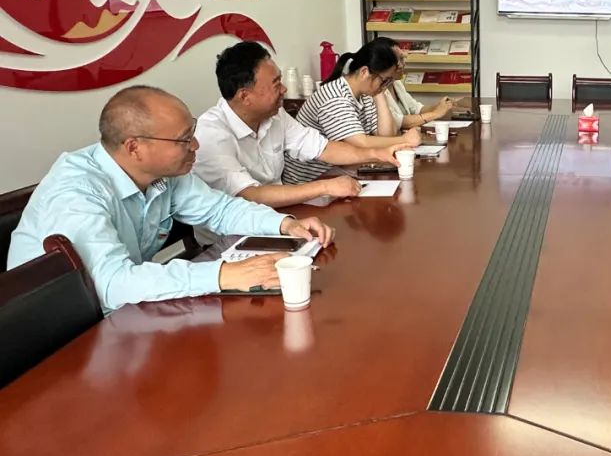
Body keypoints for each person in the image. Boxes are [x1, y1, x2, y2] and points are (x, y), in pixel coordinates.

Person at [7, 86, 334, 313]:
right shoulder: (77, 193)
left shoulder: (163, 173)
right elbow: (112, 283)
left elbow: (220, 210)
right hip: (56, 338)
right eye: (183, 140)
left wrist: (284, 224)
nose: (196, 146)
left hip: (125, 314)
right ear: (134, 147)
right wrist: (224, 275)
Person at [194, 42, 405, 209]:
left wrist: (378, 154)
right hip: (233, 235)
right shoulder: (211, 134)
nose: (284, 89)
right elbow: (251, 195)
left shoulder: (275, 115)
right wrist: (325, 186)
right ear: (244, 96)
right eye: (276, 84)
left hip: (279, 215)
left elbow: (324, 148)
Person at [283, 40, 421, 185]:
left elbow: (385, 135)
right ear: (364, 72)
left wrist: (379, 92)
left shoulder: (364, 93)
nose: (385, 86)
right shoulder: (334, 97)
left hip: (343, 173)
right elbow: (361, 143)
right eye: (384, 80)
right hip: (311, 181)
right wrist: (404, 140)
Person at [374, 37, 459, 132]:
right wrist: (436, 113)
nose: (403, 64)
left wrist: (440, 106)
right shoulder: (375, 90)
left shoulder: (396, 83)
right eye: (400, 59)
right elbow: (399, 121)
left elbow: (416, 108)